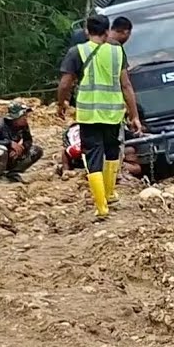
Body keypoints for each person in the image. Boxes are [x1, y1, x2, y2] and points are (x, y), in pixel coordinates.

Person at [57, 15, 143, 219]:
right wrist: (134, 115)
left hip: (88, 115)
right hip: (113, 113)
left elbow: (65, 84)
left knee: (93, 156)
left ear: (87, 31)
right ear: (107, 32)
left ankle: (101, 206)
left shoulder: (76, 52)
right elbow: (126, 85)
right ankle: (110, 193)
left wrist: (61, 104)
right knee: (112, 152)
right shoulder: (117, 52)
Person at [0, 101, 43, 182]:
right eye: (23, 116)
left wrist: (21, 148)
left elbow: (28, 140)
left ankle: (13, 173)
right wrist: (9, 144)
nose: (25, 118)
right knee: (0, 150)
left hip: (12, 157)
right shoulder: (0, 125)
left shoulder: (23, 125)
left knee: (36, 150)